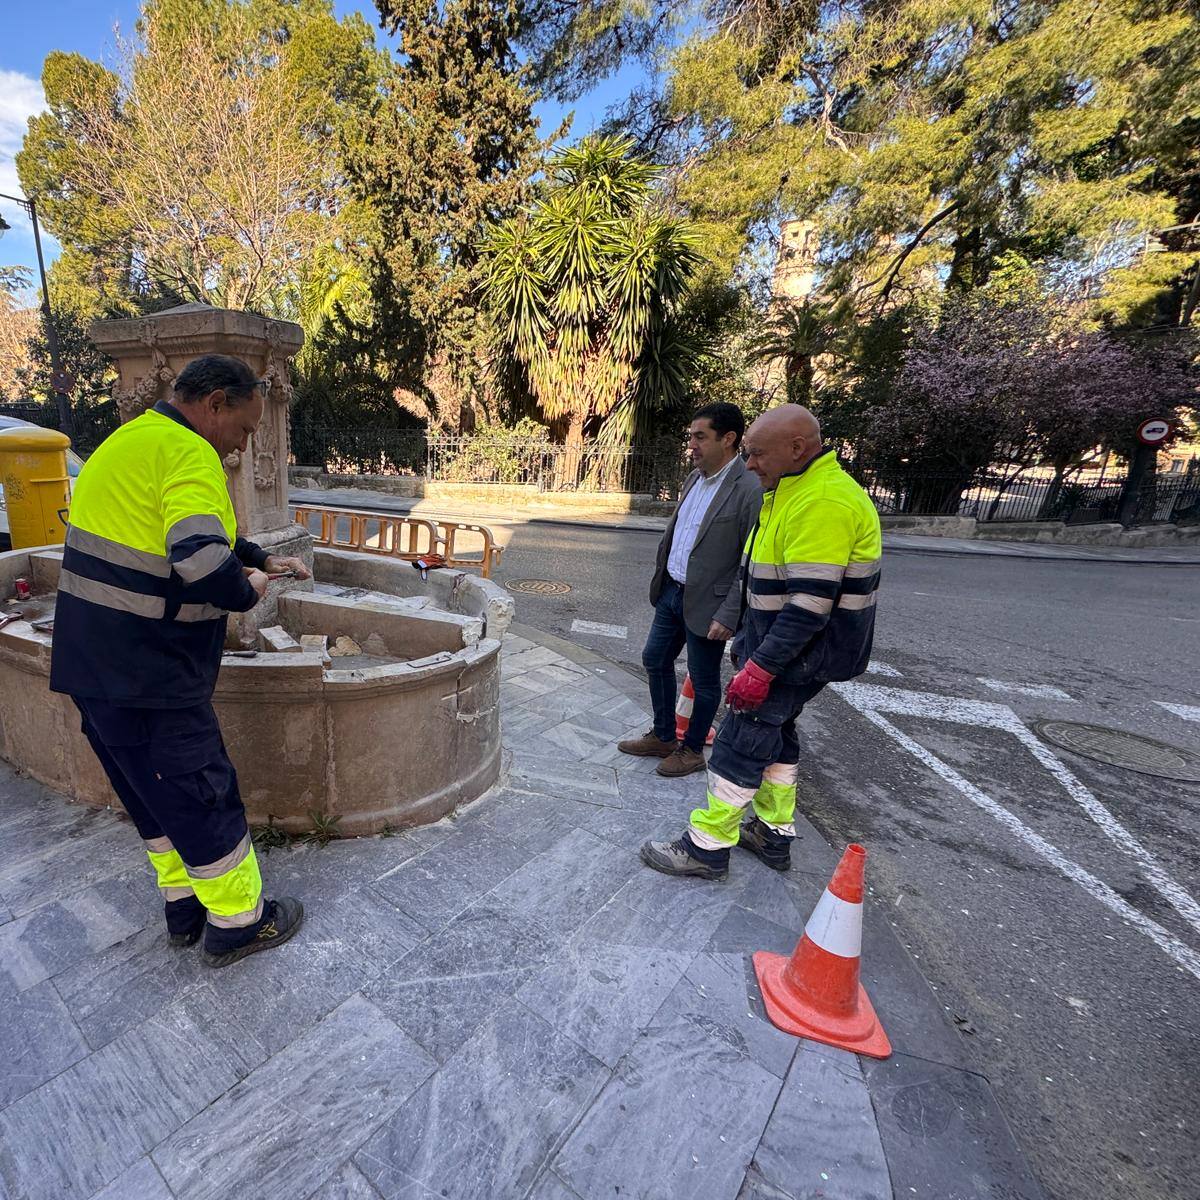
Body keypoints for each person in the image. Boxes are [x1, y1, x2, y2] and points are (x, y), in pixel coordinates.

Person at [49, 354, 310, 967]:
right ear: (215, 403)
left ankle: (184, 908)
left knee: (150, 795)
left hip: (94, 667)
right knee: (201, 792)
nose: (244, 446)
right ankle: (239, 923)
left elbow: (168, 531)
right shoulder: (191, 452)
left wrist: (260, 555)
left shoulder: (129, 441)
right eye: (245, 428)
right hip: (151, 671)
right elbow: (199, 560)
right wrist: (249, 588)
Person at [639, 403, 881, 879]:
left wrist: (760, 668)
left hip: (796, 656)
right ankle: (772, 834)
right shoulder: (792, 489)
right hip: (790, 653)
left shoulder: (823, 502)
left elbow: (810, 603)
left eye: (757, 454)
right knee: (778, 740)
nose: (749, 464)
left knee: (739, 743)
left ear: (797, 448)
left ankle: (706, 848)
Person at [617, 402, 761, 777]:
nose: (692, 445)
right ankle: (664, 736)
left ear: (728, 439)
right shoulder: (693, 478)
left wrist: (730, 613)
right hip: (672, 592)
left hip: (710, 604)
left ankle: (693, 749)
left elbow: (749, 560)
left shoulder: (748, 488)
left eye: (700, 437)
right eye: (691, 437)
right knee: (655, 659)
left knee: (704, 676)